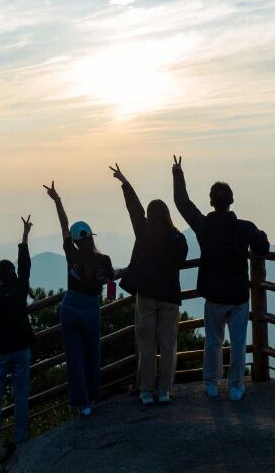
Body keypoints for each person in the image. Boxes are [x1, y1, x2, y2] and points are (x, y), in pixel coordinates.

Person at [171, 156, 269, 402]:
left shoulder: (204, 226)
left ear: (211, 202)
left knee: (213, 342)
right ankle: (236, 387)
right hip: (237, 296)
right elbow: (263, 246)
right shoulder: (244, 228)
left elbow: (182, 203)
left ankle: (211, 384)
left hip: (213, 295)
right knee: (237, 343)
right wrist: (261, 233)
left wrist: (178, 173)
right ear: (232, 201)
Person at [111, 163, 189, 405]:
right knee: (168, 346)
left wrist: (125, 183)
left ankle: (146, 391)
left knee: (146, 346)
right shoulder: (179, 239)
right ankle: (165, 390)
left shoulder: (144, 232)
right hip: (169, 298)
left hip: (146, 296)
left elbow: (135, 210)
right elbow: (181, 260)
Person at [43, 181, 115, 417]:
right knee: (92, 353)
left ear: (75, 240)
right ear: (91, 237)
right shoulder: (103, 259)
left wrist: (57, 200)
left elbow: (64, 225)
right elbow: (112, 280)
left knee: (73, 357)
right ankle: (93, 398)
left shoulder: (70, 253)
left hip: (70, 306)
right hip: (91, 308)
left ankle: (81, 404)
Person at [0, 215, 36, 457]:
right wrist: (24, 236)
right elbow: (25, 265)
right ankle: (21, 437)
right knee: (21, 393)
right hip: (21, 347)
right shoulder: (20, 288)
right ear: (12, 273)